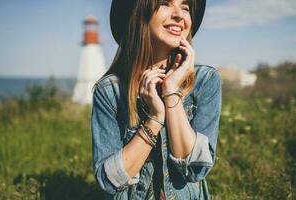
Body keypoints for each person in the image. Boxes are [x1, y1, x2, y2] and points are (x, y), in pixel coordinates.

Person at [91, 0, 222, 199]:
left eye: (185, 7)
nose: (179, 14)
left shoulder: (205, 81)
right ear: (139, 13)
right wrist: (154, 118)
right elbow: (109, 180)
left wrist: (171, 92)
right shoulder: (110, 91)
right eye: (165, 3)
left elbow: (195, 170)